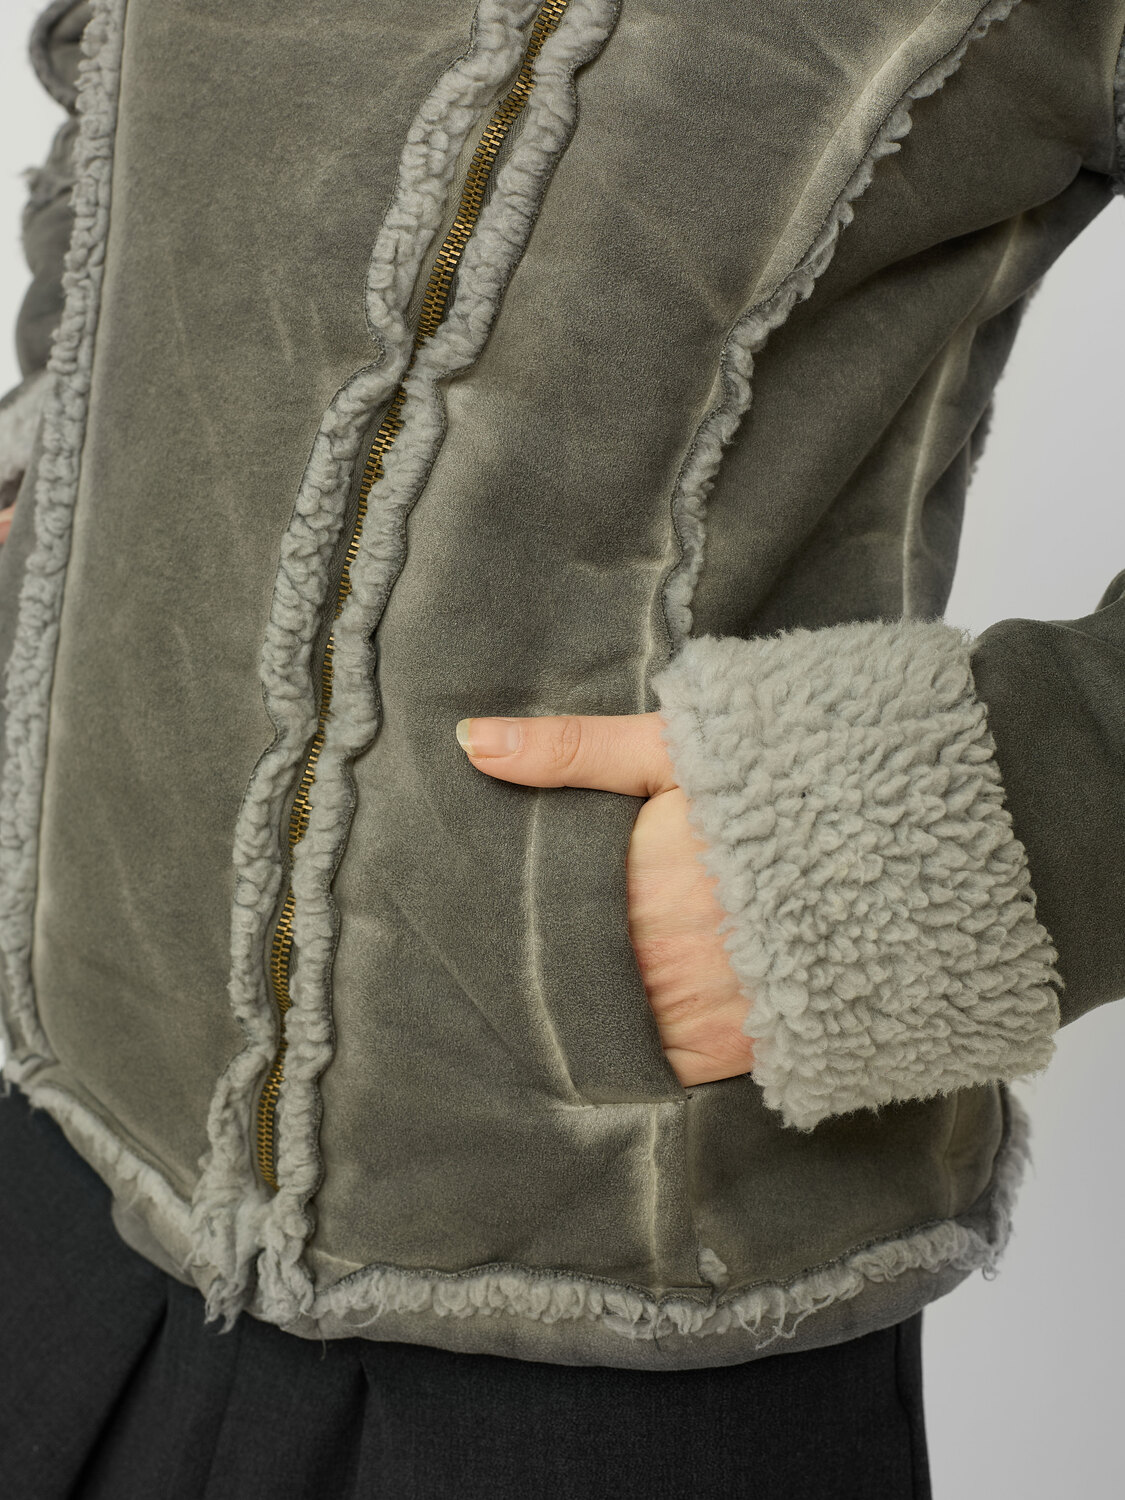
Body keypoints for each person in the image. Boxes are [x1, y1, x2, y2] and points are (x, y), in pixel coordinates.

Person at [0, 0, 1123, 1494]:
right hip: (64, 1138)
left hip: (613, 1299)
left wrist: (965, 825)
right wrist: (43, 482)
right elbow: (116, 86)